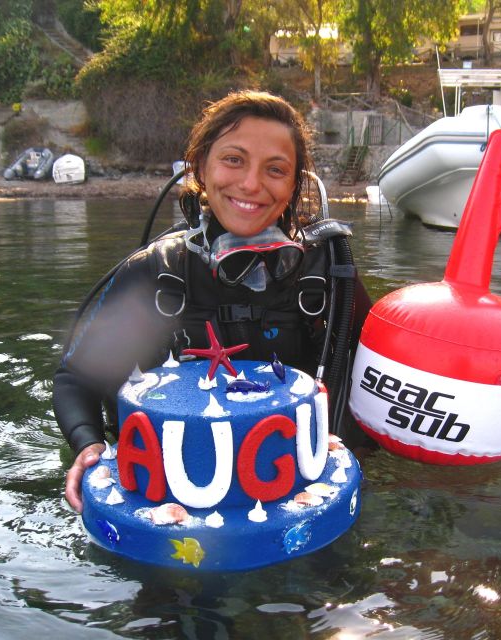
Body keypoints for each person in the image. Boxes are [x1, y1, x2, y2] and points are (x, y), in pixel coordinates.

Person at [53, 90, 372, 512]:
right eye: (233, 160)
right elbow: (76, 380)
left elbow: (376, 377)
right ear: (201, 166)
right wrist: (89, 445)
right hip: (173, 493)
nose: (251, 184)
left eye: (275, 169)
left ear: (295, 184)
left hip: (301, 486)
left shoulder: (328, 271)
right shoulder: (156, 272)